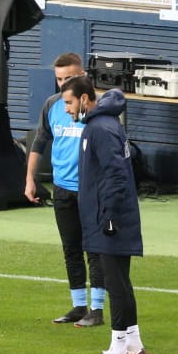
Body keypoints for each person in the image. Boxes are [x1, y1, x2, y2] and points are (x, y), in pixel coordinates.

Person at [60, 77, 147, 354]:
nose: (68, 110)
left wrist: (108, 216)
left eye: (70, 103)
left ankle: (118, 348)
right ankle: (134, 344)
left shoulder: (100, 129)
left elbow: (116, 175)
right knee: (121, 281)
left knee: (115, 283)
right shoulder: (105, 125)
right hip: (110, 216)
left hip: (111, 219)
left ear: (85, 99)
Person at [25, 53, 107, 328]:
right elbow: (39, 142)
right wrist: (30, 179)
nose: (63, 85)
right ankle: (78, 305)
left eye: (69, 78)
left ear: (83, 74)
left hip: (90, 189)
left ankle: (97, 308)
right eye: (59, 79)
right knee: (70, 248)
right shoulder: (52, 105)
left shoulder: (97, 109)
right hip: (62, 188)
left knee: (93, 248)